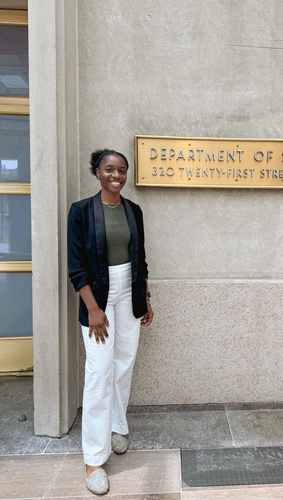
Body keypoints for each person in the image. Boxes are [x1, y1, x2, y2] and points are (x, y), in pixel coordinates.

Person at [67, 149, 153, 495]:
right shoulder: (82, 212)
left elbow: (141, 259)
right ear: (97, 172)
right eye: (109, 169)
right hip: (97, 298)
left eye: (121, 170)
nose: (116, 175)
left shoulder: (133, 211)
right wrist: (92, 308)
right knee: (99, 373)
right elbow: (76, 266)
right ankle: (94, 460)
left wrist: (145, 298)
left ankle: (117, 427)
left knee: (123, 364)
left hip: (129, 293)